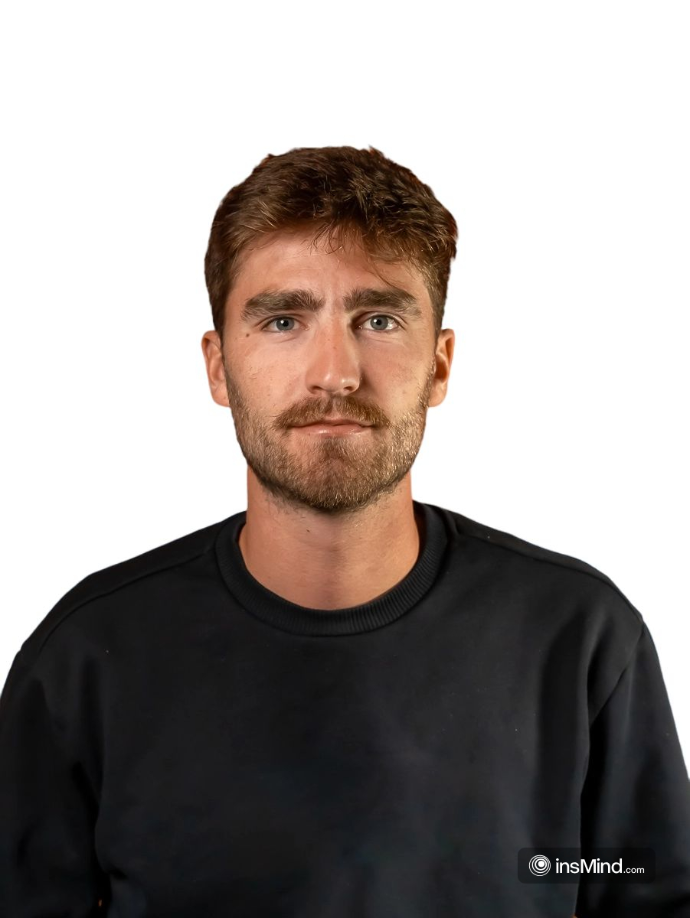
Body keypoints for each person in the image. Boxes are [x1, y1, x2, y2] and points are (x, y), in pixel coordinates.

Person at [1, 146, 688, 917]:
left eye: (380, 319)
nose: (335, 372)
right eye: (284, 320)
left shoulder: (580, 641)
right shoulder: (85, 665)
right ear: (218, 367)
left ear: (440, 364)